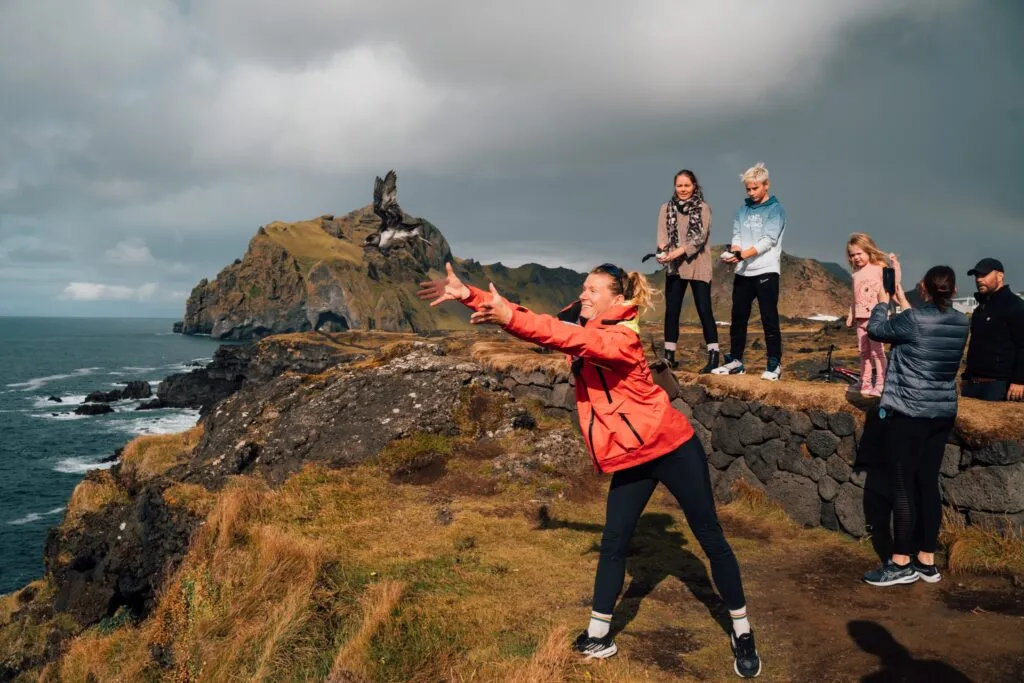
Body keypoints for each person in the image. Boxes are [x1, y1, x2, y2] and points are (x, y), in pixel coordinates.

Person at [418, 262, 762, 678]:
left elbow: (563, 335)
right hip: (632, 457)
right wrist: (471, 295)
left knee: (710, 537)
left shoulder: (621, 338)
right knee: (613, 541)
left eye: (592, 290)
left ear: (617, 299)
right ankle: (599, 636)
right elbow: (542, 322)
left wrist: (507, 316)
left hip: (672, 447)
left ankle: (741, 631)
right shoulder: (588, 323)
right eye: (583, 288)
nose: (584, 294)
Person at [862, 266, 969, 587]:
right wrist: (902, 302)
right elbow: (924, 328)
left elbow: (877, 330)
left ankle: (900, 562)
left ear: (923, 287)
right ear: (951, 290)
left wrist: (884, 300)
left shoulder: (913, 320)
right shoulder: (961, 321)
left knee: (902, 485)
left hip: (910, 412)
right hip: (942, 413)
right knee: (927, 483)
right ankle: (926, 560)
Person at [713, 162, 786, 381]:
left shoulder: (776, 210)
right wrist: (734, 251)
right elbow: (737, 236)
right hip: (743, 272)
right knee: (738, 318)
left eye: (755, 188)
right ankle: (736, 361)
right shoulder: (742, 210)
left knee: (768, 319)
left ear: (766, 185)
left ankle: (774, 364)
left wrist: (741, 255)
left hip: (766, 270)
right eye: (748, 189)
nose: (751, 192)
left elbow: (768, 241)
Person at [655, 169, 720, 373]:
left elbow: (699, 238)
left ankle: (713, 356)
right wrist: (662, 252)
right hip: (674, 268)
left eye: (687, 185)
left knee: (704, 310)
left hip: (698, 264)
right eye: (679, 185)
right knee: (672, 311)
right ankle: (669, 357)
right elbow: (662, 235)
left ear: (694, 186)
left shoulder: (703, 208)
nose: (683, 189)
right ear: (675, 186)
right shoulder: (665, 208)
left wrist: (676, 253)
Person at [844, 234, 911, 397]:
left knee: (877, 352)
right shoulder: (855, 274)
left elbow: (893, 284)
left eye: (859, 253)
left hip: (877, 318)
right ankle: (865, 382)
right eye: (852, 255)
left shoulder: (879, 267)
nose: (855, 258)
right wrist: (851, 314)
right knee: (863, 352)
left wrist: (895, 265)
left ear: (868, 250)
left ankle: (881, 383)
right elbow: (855, 296)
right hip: (860, 319)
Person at [961, 258, 1024, 402]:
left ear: (1000, 276)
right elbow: (975, 346)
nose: (979, 279)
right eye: (976, 276)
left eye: (984, 275)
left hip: (999, 386)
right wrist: (966, 376)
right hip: (973, 383)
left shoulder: (1015, 306)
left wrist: (1020, 380)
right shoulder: (979, 310)